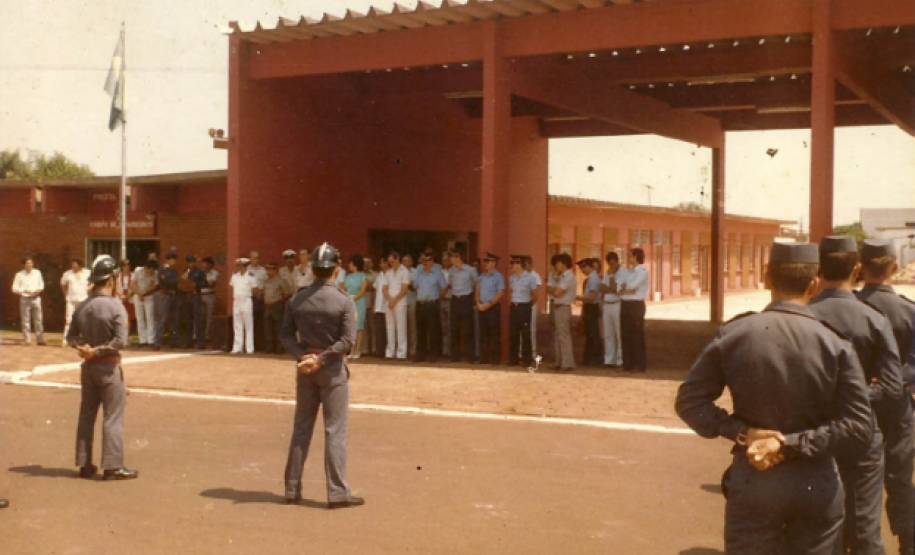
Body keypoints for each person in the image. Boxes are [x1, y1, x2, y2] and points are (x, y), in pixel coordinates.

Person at [675, 242, 873, 555]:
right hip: (816, 482)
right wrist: (788, 442)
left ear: (767, 278)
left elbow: (689, 402)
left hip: (755, 479)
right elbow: (860, 428)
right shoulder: (834, 344)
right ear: (814, 284)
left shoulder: (735, 334)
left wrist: (744, 433)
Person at [808, 236, 903, 554]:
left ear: (818, 269)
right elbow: (891, 388)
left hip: (812, 432)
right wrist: (853, 395)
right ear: (857, 269)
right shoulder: (874, 319)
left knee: (818, 528)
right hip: (861, 433)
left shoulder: (801, 318)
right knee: (864, 530)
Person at [280, 242, 363, 509]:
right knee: (335, 431)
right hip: (331, 369)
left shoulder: (298, 298)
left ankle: (292, 489)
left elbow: (285, 335)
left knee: (301, 429)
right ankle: (337, 492)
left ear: (314, 269)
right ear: (336, 270)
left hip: (305, 368)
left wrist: (303, 356)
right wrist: (322, 358)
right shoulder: (343, 301)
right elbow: (348, 341)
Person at [855, 239, 915, 554]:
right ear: (894, 266)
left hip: (854, 408)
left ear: (860, 266)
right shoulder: (908, 310)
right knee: (901, 483)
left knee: (854, 481)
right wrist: (894, 380)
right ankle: (908, 543)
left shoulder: (850, 308)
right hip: (897, 409)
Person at [66, 255, 139, 481]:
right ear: (110, 280)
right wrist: (97, 351)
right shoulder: (115, 305)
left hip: (88, 368)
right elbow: (120, 341)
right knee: (112, 417)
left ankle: (84, 463)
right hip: (108, 368)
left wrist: (84, 348)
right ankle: (112, 466)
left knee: (86, 415)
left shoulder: (83, 306)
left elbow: (71, 337)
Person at [618, 248, 649, 372]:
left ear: (636, 257)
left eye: (630, 256)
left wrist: (626, 288)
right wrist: (625, 289)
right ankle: (628, 364)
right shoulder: (627, 272)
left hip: (636, 304)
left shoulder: (642, 271)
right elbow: (620, 285)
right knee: (625, 334)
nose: (628, 258)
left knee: (637, 334)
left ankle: (640, 364)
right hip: (625, 303)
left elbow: (632, 287)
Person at [414, 252, 447, 363]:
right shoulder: (419, 273)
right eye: (423, 260)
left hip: (432, 304)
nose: (425, 263)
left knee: (433, 330)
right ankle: (420, 354)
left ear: (431, 260)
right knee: (420, 330)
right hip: (420, 303)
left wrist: (437, 299)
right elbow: (415, 287)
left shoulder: (437, 273)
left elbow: (444, 288)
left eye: (427, 260)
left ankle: (433, 354)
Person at [508, 254, 538, 369]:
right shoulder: (512, 278)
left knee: (525, 334)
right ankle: (513, 359)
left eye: (513, 264)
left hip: (524, 306)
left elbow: (535, 295)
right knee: (513, 333)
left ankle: (527, 359)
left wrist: (528, 305)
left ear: (519, 265)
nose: (511, 266)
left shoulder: (530, 277)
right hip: (514, 307)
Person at [547, 253, 576, 371]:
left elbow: (557, 292)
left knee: (563, 335)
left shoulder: (568, 277)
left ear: (563, 264)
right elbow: (550, 289)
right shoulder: (561, 276)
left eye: (558, 263)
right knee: (558, 335)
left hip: (564, 306)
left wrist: (554, 289)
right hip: (558, 306)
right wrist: (554, 289)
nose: (556, 266)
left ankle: (567, 362)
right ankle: (559, 361)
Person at [448, 250, 478, 363]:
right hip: (455, 299)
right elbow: (450, 284)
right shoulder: (452, 271)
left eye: (452, 257)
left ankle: (470, 356)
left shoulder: (470, 270)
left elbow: (475, 283)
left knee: (468, 329)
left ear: (458, 257)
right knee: (454, 328)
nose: (451, 259)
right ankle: (454, 356)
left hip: (466, 299)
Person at [476, 252, 505, 365]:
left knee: (494, 333)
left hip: (492, 307)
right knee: (482, 333)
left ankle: (495, 359)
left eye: (488, 262)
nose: (486, 264)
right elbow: (477, 291)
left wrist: (490, 303)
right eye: (485, 262)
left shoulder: (498, 276)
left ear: (493, 263)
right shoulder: (482, 276)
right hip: (482, 306)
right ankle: (483, 358)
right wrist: (478, 303)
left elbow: (500, 293)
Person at [382, 252, 411, 361]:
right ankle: (390, 352)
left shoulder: (404, 271)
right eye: (389, 262)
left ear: (397, 259)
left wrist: (395, 300)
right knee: (390, 327)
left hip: (400, 302)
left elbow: (404, 288)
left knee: (401, 327)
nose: (391, 264)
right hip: (389, 302)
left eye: (393, 262)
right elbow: (384, 288)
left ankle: (401, 353)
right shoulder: (388, 272)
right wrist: (390, 299)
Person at [12, 256, 46, 346]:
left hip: (36, 298)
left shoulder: (37, 273)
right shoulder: (19, 275)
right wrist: (23, 290)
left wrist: (39, 289)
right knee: (25, 320)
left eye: (31, 263)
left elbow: (41, 284)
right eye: (27, 263)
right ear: (24, 265)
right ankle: (27, 340)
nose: (30, 265)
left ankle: (40, 339)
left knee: (39, 320)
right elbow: (14, 288)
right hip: (25, 299)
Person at [600, 252, 625, 368]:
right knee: (608, 334)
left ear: (617, 261)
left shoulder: (622, 272)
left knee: (618, 333)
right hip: (607, 304)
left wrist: (611, 278)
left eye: (613, 263)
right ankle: (609, 359)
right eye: (610, 263)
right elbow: (602, 287)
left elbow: (615, 288)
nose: (612, 265)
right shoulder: (608, 272)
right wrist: (610, 286)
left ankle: (620, 360)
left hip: (617, 304)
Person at [576, 258, 604, 366]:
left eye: (582, 268)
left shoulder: (593, 278)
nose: (582, 270)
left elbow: (592, 297)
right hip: (590, 307)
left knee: (593, 334)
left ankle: (596, 359)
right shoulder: (591, 278)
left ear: (588, 266)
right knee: (590, 333)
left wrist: (578, 297)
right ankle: (589, 359)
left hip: (592, 307)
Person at [263, 262, 293, 354]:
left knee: (279, 328)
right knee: (267, 328)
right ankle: (269, 348)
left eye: (270, 269)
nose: (268, 271)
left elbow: (287, 294)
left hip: (277, 305)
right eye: (267, 269)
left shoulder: (281, 281)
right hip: (267, 306)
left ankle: (280, 348)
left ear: (275, 270)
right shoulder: (266, 281)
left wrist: (279, 300)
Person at [230, 258, 258, 355]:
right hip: (237, 301)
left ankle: (249, 348)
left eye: (241, 265)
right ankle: (237, 347)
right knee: (237, 325)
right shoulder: (234, 276)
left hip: (246, 300)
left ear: (246, 266)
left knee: (248, 325)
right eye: (238, 265)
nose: (240, 267)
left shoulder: (250, 276)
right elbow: (232, 287)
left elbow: (255, 290)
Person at [60, 257, 91, 343]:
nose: (73, 266)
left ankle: (86, 339)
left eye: (75, 265)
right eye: (72, 264)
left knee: (84, 319)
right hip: (71, 300)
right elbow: (62, 283)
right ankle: (65, 340)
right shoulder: (68, 274)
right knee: (69, 319)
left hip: (83, 299)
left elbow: (93, 282)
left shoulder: (87, 273)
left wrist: (88, 288)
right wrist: (65, 294)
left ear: (80, 265)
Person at [155, 252, 181, 350]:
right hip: (165, 295)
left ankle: (174, 340)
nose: (174, 261)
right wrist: (179, 279)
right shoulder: (162, 270)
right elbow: (167, 281)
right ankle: (157, 342)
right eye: (172, 259)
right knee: (163, 319)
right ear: (167, 260)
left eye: (174, 259)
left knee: (175, 319)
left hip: (174, 296)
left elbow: (177, 283)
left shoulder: (174, 271)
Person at [343, 255, 368, 358]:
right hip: (350, 302)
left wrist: (353, 298)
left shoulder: (363, 276)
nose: (349, 265)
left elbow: (362, 291)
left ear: (355, 264)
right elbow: (344, 288)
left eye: (350, 263)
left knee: (359, 327)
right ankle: (351, 350)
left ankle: (357, 350)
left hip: (359, 302)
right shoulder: (348, 277)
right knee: (351, 326)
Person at [133, 260, 159, 348]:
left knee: (150, 317)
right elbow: (133, 283)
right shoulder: (137, 271)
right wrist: (139, 293)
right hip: (138, 295)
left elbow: (155, 285)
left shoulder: (155, 273)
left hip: (148, 295)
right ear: (147, 268)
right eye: (150, 270)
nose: (151, 272)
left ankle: (151, 340)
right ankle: (142, 340)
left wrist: (145, 293)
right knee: (140, 317)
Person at [247, 251, 268, 352]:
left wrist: (260, 293)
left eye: (257, 258)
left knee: (261, 323)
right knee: (251, 323)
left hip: (261, 298)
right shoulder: (246, 271)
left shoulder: (263, 271)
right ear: (250, 259)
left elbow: (266, 283)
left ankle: (261, 345)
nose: (256, 260)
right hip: (250, 299)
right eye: (254, 258)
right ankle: (252, 345)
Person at [524, 257, 543, 360]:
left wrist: (530, 303)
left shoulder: (535, 276)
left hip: (532, 304)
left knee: (532, 328)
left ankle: (533, 352)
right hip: (524, 304)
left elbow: (536, 293)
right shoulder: (523, 275)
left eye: (527, 264)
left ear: (531, 264)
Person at [199, 257, 219, 346]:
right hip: (200, 295)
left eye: (207, 263)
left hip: (210, 295)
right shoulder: (199, 272)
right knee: (200, 316)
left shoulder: (214, 273)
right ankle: (199, 335)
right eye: (204, 263)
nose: (205, 265)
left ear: (211, 265)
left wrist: (202, 282)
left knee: (209, 316)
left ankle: (207, 335)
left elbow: (211, 283)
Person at [372, 258, 389, 357]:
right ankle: (379, 351)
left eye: (382, 262)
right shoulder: (379, 276)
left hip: (387, 306)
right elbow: (375, 290)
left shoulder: (390, 275)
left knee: (387, 330)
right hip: (378, 306)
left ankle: (387, 351)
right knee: (379, 331)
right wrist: (374, 305)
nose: (380, 264)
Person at [115, 260, 136, 341]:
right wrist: (121, 296)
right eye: (124, 266)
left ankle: (127, 336)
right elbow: (115, 287)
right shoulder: (118, 276)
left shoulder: (133, 275)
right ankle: (122, 336)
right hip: (121, 297)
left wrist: (128, 296)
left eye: (127, 265)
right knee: (122, 317)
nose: (126, 267)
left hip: (130, 297)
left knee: (129, 318)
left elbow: (135, 287)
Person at [402, 253, 418, 358]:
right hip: (401, 303)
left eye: (407, 260)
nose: (405, 263)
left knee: (413, 327)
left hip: (412, 301)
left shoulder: (416, 272)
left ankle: (413, 350)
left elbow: (417, 286)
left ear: (412, 262)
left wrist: (409, 285)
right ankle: (404, 350)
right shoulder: (399, 272)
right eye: (403, 261)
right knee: (403, 328)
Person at [362, 257, 376, 356]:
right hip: (361, 304)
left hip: (371, 304)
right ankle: (365, 350)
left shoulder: (376, 275)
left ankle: (374, 350)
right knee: (363, 329)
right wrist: (368, 286)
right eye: (364, 263)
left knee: (373, 328)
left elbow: (374, 288)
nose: (366, 264)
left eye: (368, 262)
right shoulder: (358, 275)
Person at [440, 251, 453, 360]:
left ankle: (450, 351)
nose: (444, 262)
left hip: (450, 300)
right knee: (443, 327)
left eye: (446, 260)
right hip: (441, 301)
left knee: (450, 327)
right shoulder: (440, 272)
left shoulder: (454, 271)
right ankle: (444, 350)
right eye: (443, 260)